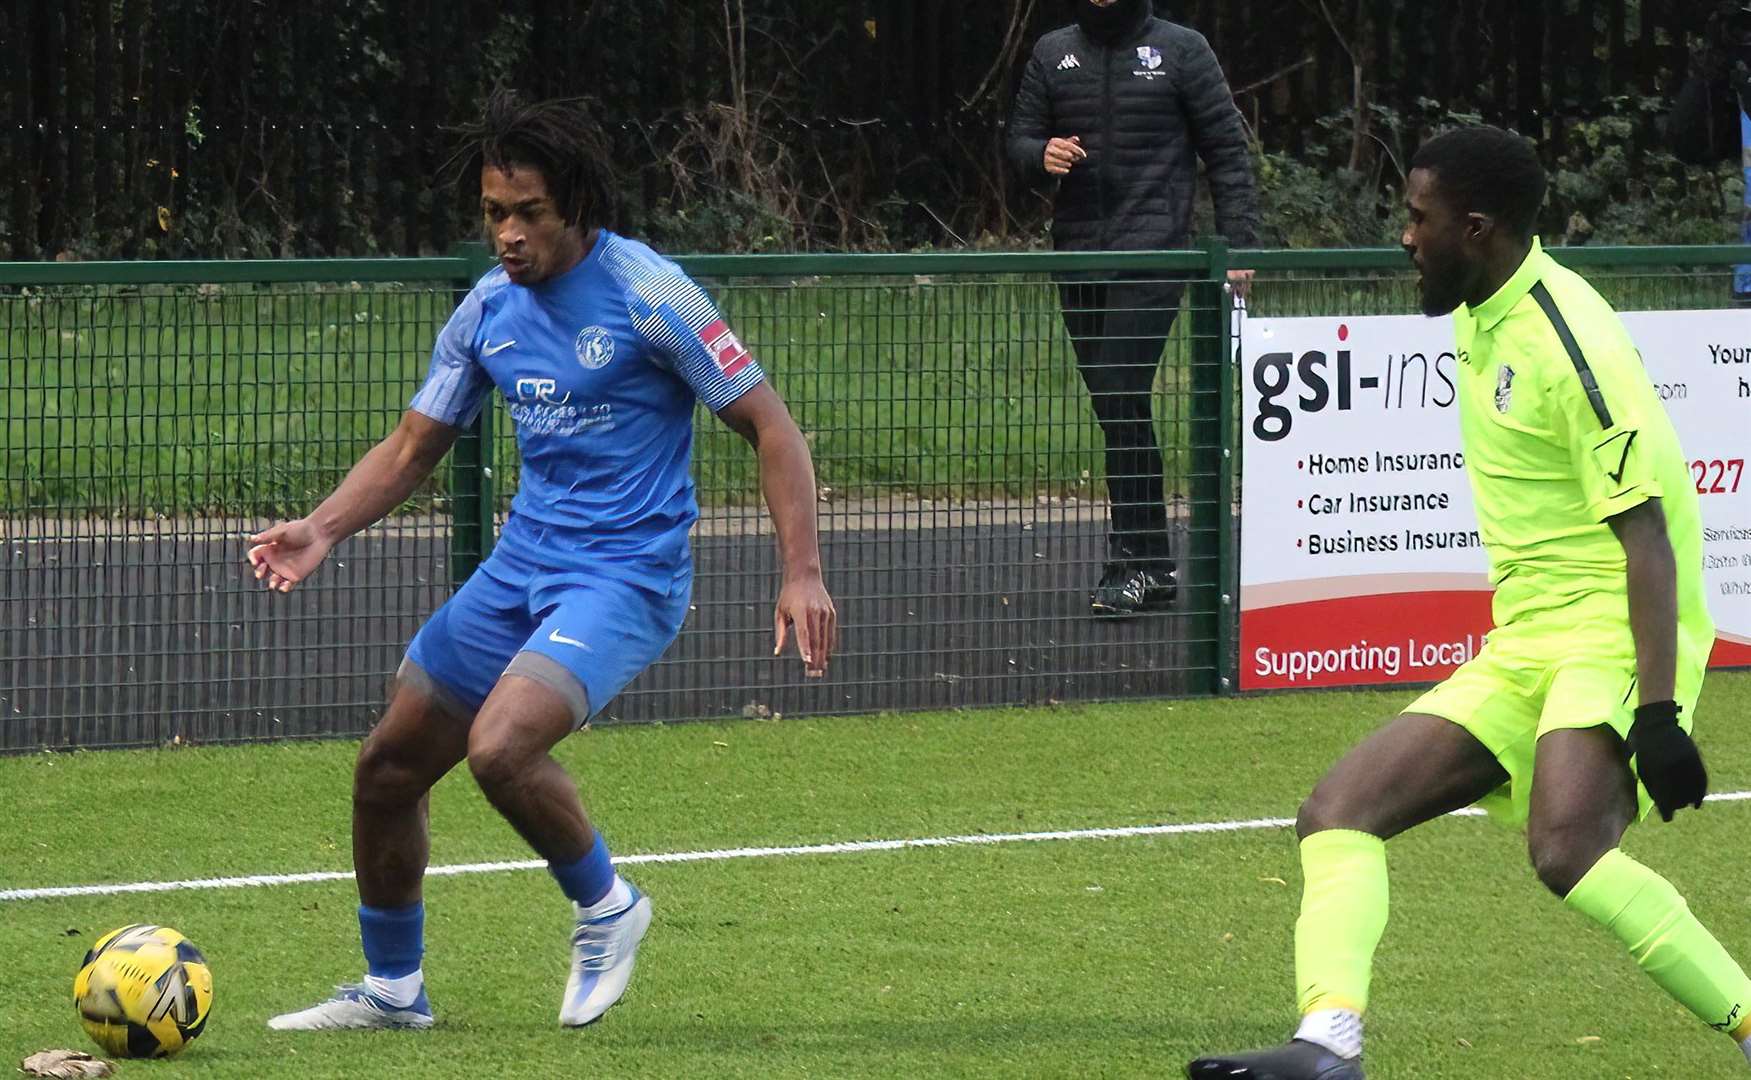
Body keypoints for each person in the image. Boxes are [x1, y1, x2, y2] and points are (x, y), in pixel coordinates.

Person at [249, 90, 837, 1032]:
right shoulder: (488, 308)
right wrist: (321, 528)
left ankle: (608, 907)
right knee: (387, 771)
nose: (508, 235)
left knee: (500, 747)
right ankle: (394, 991)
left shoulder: (653, 292)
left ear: (576, 206)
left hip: (625, 576)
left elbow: (769, 426)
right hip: (521, 567)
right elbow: (411, 446)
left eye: (528, 213)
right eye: (493, 214)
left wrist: (800, 569)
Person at [1188, 126, 1746, 1079]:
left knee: (1565, 849)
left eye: (1418, 218)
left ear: (1476, 229)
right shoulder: (1478, 303)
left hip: (1611, 629)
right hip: (1527, 638)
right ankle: (1327, 1046)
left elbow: (1647, 541)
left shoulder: (1573, 348)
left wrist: (1658, 714)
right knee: (1337, 812)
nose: (1404, 236)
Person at [1006, 0, 1258, 616]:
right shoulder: (1051, 51)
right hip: (1077, 257)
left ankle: (1134, 564)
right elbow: (1017, 142)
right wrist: (1041, 155)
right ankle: (1155, 564)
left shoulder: (1182, 49)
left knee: (1120, 393)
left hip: (1155, 255)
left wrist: (1240, 247)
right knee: (1115, 407)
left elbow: (1227, 152)